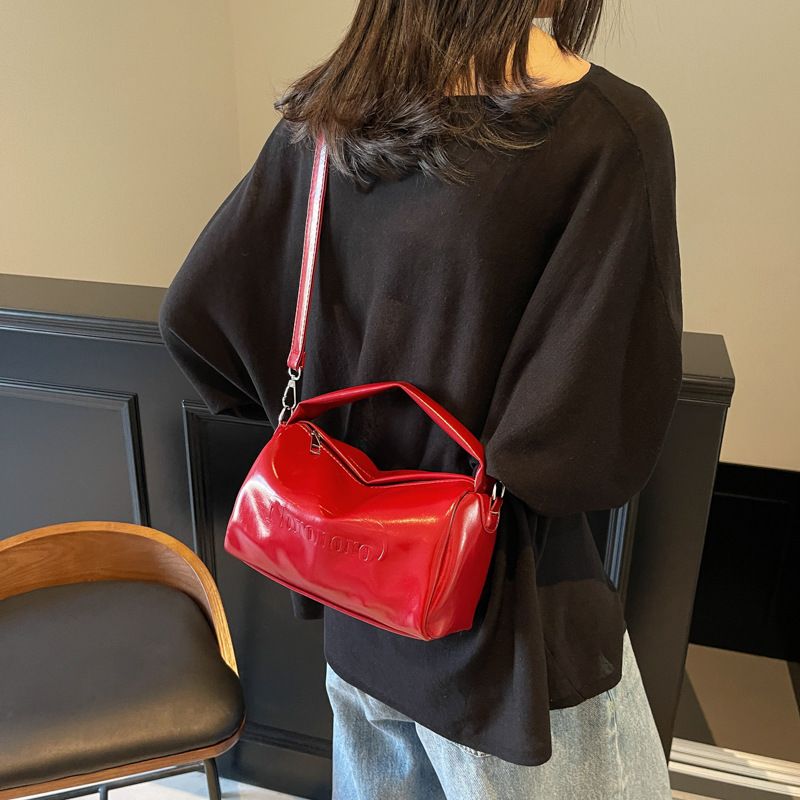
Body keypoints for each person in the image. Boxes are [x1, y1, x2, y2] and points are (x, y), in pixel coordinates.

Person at [158, 1, 683, 797]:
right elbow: (593, 440)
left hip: (358, 602)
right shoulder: (604, 131)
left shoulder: (329, 121)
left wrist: (336, 445)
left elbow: (196, 318)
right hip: (505, 627)